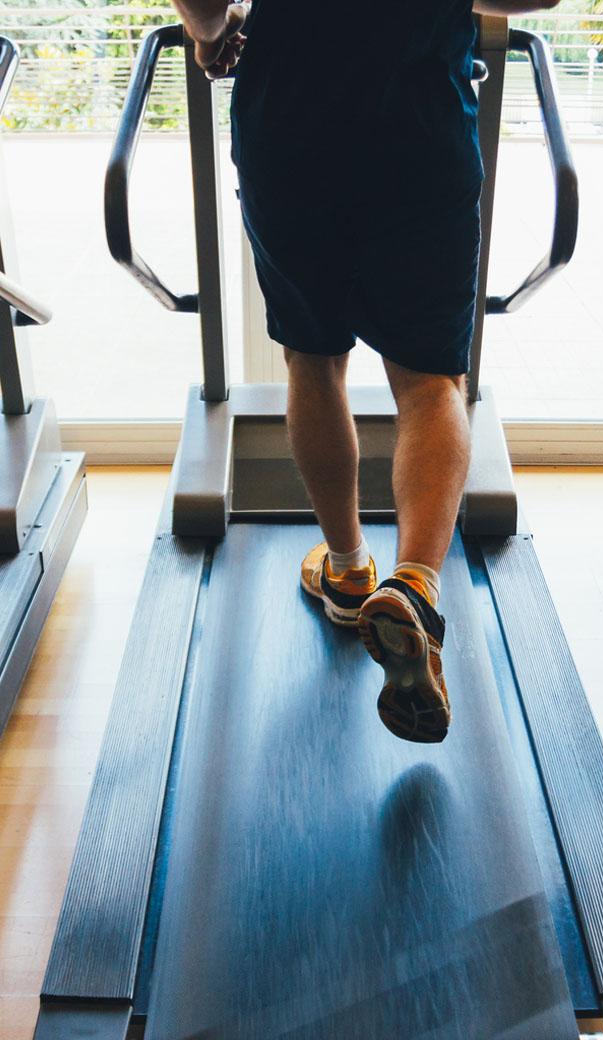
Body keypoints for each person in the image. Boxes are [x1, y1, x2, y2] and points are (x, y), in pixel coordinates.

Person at [170, 0, 559, 744]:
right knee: (431, 382)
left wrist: (211, 35)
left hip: (289, 127)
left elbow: (205, 3)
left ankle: (348, 571)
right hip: (420, 130)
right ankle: (413, 583)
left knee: (312, 362)